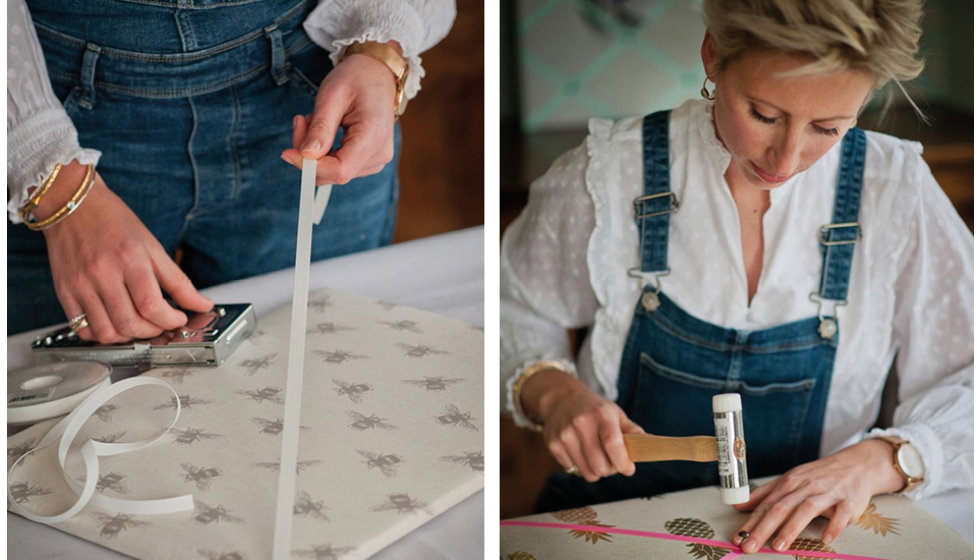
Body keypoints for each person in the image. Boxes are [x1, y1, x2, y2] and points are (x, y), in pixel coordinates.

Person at [500, 0, 972, 554]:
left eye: (828, 127)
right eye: (765, 115)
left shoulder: (895, 189)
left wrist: (883, 460)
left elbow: (968, 379)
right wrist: (554, 394)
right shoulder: (609, 172)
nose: (788, 158)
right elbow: (516, 308)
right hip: (611, 520)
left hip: (805, 536)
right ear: (713, 56)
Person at [7, 0, 455, 340]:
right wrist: (52, 181)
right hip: (48, 107)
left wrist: (380, 50)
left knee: (330, 382)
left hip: (312, 82)